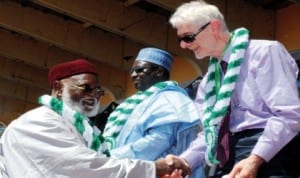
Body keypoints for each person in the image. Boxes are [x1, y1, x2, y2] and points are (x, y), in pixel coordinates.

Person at [158, 0, 300, 177]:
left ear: (214, 27)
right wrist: (184, 162)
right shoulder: (207, 82)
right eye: (180, 40)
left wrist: (254, 159)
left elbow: (288, 115)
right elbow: (209, 133)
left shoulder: (264, 52)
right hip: (227, 158)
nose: (183, 45)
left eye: (188, 37)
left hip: (270, 156)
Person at [0, 59, 182, 178]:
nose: (94, 95)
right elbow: (88, 167)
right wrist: (153, 168)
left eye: (98, 91)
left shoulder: (80, 129)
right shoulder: (37, 122)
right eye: (85, 88)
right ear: (58, 88)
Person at [102, 47, 205, 178]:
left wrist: (113, 158)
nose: (133, 75)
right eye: (132, 71)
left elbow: (159, 141)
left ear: (159, 71)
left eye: (140, 70)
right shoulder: (140, 101)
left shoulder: (171, 99)